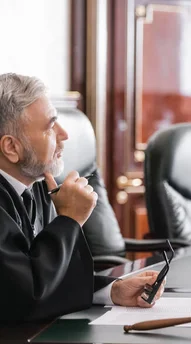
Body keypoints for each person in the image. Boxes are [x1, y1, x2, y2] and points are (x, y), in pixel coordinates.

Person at [0, 73, 164, 323]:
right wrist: (69, 220)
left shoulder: (38, 187)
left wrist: (112, 290)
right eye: (50, 126)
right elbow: (25, 298)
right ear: (11, 147)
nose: (64, 134)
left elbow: (49, 275)